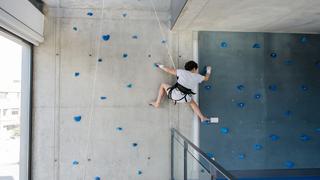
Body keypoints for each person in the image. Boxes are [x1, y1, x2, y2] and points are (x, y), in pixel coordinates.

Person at [150, 60, 218, 123]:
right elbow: (206, 78)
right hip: (184, 99)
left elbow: (168, 70)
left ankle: (157, 103)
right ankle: (202, 117)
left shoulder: (181, 72)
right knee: (192, 103)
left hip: (173, 95)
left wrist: (159, 65)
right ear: (194, 69)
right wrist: (208, 70)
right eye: (196, 69)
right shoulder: (198, 77)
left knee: (163, 85)